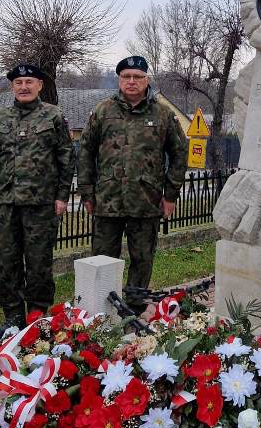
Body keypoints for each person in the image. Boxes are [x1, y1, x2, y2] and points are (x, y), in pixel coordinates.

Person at [76, 55, 188, 307]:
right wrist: (87, 192)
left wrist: (170, 195)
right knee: (102, 259)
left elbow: (180, 153)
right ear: (119, 80)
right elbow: (85, 153)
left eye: (137, 77)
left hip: (146, 200)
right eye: (126, 76)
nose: (131, 81)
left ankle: (133, 311)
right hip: (107, 200)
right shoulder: (103, 111)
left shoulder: (162, 114)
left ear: (147, 80)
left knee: (142, 258)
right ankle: (101, 309)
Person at [0, 63, 75, 333]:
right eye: (18, 82)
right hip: (7, 204)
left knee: (39, 262)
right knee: (7, 262)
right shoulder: (1, 118)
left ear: (39, 86)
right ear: (12, 86)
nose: (24, 87)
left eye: (29, 82)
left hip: (41, 204)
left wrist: (62, 196)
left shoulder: (53, 116)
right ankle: (12, 316)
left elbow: (66, 158)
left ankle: (37, 314)